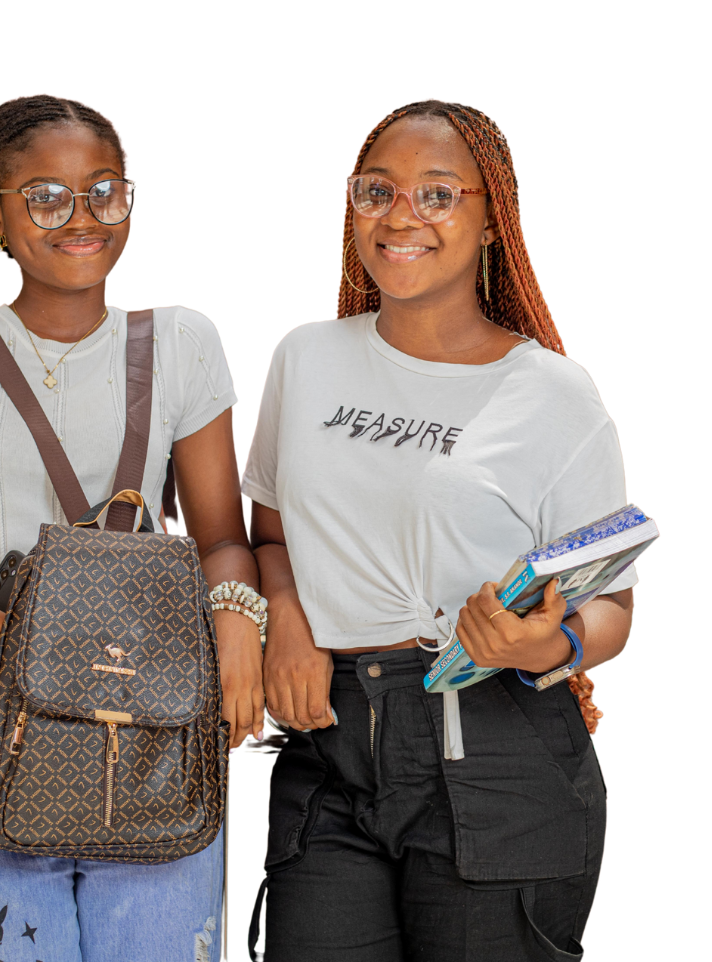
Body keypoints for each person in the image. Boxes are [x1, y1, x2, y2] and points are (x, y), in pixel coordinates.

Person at [0, 93, 266, 962]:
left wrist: (236, 621)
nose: (82, 217)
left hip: (155, 706)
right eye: (46, 197)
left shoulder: (182, 341)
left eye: (105, 191)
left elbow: (222, 535)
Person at [242, 98, 637, 961]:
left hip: (498, 748)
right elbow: (267, 535)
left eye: (436, 193)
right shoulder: (305, 357)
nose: (400, 216)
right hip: (328, 742)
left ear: (492, 217)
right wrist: (289, 624)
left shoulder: (553, 393)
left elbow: (612, 608)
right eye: (376, 190)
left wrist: (540, 644)